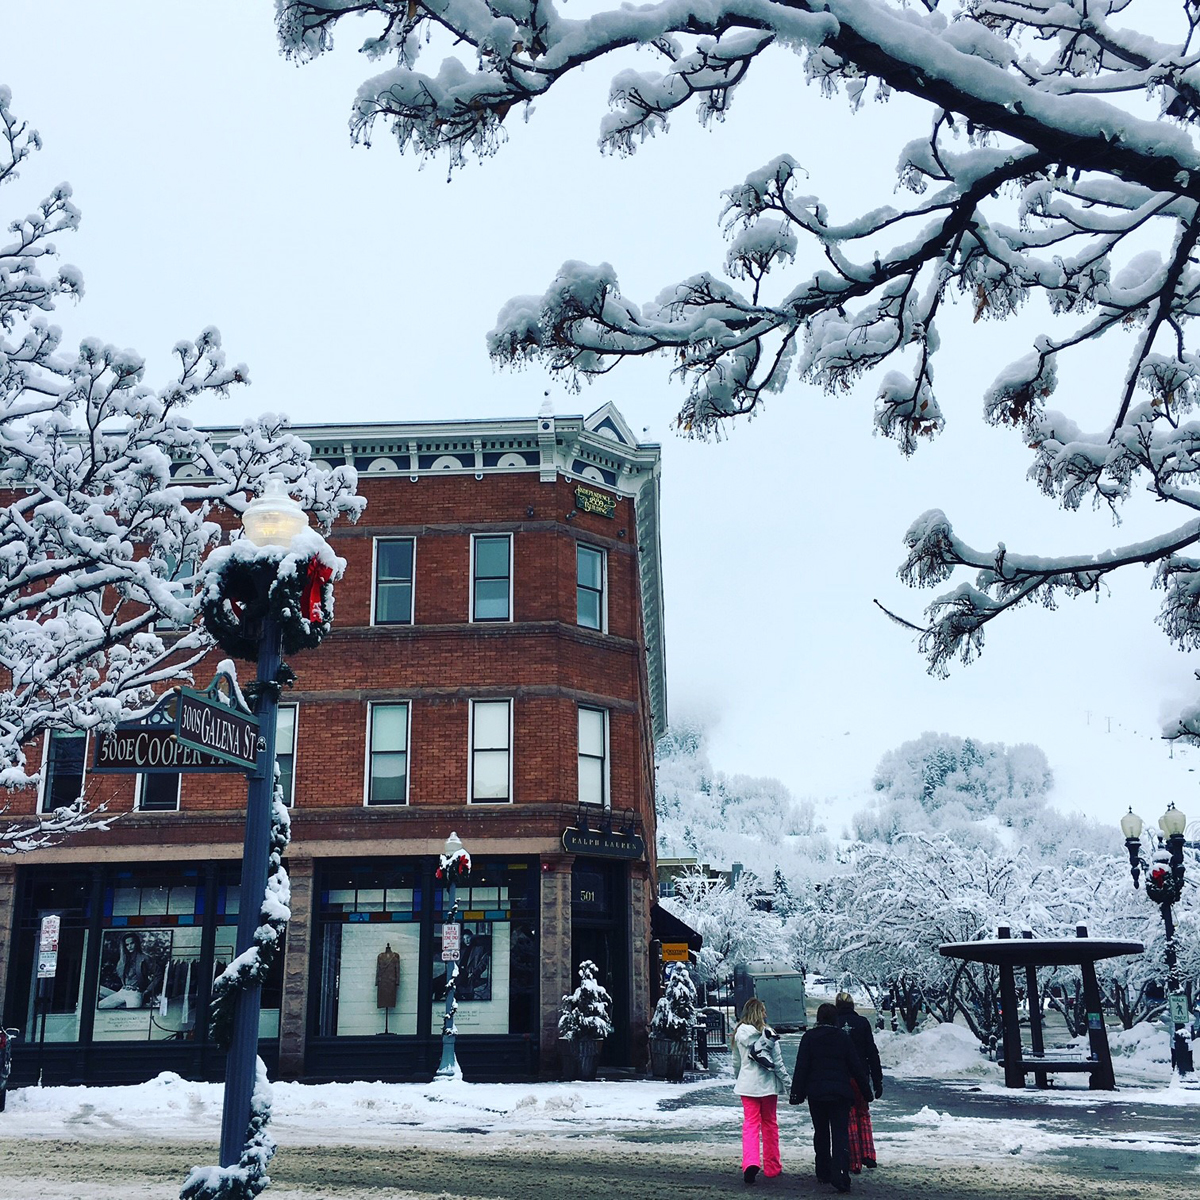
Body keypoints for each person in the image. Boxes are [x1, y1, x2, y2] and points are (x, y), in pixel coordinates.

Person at [789, 1002, 872, 1194]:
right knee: (840, 1133)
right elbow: (856, 1066)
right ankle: (841, 1172)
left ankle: (823, 1171)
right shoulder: (842, 1038)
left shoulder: (809, 1037)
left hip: (817, 1094)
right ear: (835, 1019)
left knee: (821, 1132)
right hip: (840, 1094)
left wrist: (796, 1093)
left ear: (818, 1018)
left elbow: (802, 1067)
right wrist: (866, 1091)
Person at [731, 997, 791, 1185]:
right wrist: (789, 1085)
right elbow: (778, 1064)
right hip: (768, 1087)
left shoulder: (738, 1034)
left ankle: (750, 1162)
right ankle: (773, 1166)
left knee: (750, 1124)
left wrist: (740, 1077)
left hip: (747, 1086)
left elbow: (736, 1063)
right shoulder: (769, 1034)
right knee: (770, 1124)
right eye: (764, 1010)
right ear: (759, 1012)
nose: (766, 1013)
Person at [834, 992, 884, 1173]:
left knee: (848, 1117)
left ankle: (854, 1160)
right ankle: (869, 1154)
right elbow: (872, 1052)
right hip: (862, 1077)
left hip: (842, 1077)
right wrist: (878, 1081)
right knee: (863, 1114)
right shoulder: (863, 1023)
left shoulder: (835, 1024)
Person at [97, 932, 153, 1010]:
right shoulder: (123, 960)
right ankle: (122, 1005)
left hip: (136, 993)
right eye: (127, 945)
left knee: (131, 1015)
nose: (129, 946)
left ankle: (124, 1006)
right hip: (122, 991)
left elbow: (159, 974)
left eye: (132, 943)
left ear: (136, 943)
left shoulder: (145, 958)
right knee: (99, 1006)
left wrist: (148, 990)